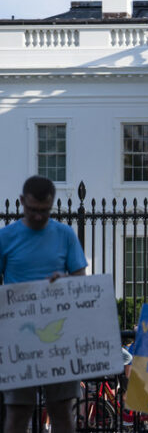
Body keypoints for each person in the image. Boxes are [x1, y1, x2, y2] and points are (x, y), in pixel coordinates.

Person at [0, 176, 88, 433]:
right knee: (17, 412)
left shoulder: (65, 235)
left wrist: (66, 280)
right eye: (32, 210)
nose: (38, 216)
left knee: (61, 411)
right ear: (21, 203)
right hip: (19, 338)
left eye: (45, 211)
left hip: (58, 340)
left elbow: (81, 281)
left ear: (52, 205)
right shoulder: (6, 237)